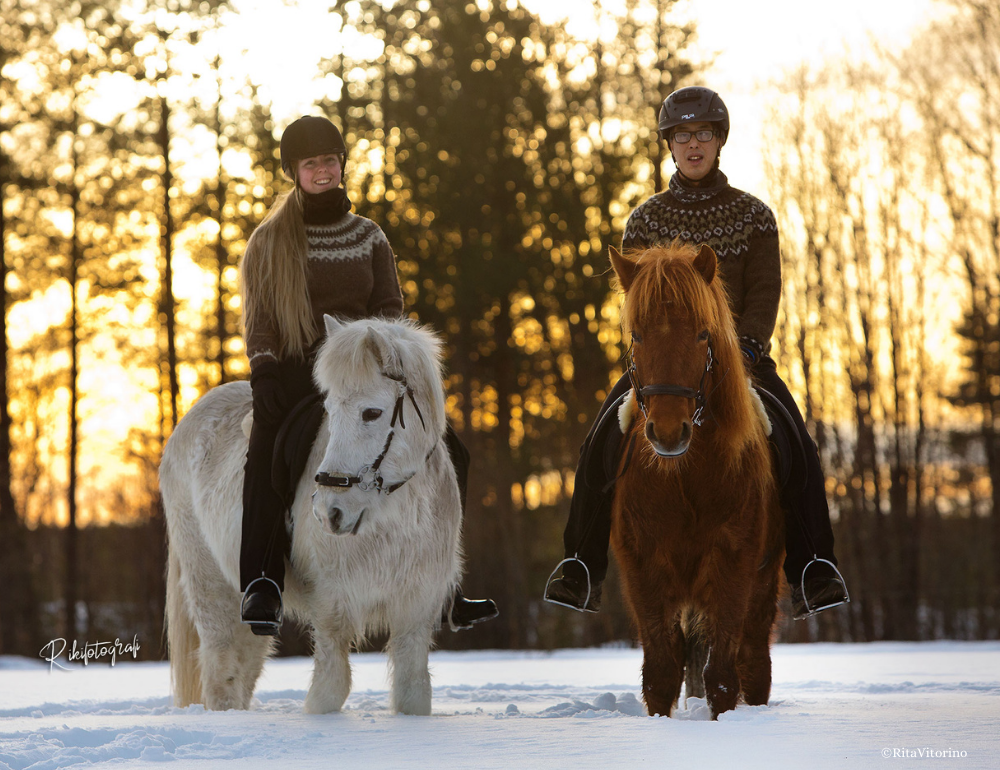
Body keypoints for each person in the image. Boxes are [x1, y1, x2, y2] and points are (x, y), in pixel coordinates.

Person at [544, 87, 849, 620]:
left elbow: (764, 292)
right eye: (681, 135)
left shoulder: (755, 216)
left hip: (739, 362)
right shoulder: (644, 219)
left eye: (703, 134)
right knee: (598, 443)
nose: (692, 144)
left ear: (719, 141)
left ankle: (812, 567)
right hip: (663, 367)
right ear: (669, 144)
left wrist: (746, 347)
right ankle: (580, 565)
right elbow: (635, 299)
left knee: (796, 443)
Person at [238, 115, 498, 635]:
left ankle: (445, 586)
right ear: (294, 172)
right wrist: (264, 372)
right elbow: (260, 318)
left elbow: (388, 309)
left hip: (365, 371)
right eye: (311, 164)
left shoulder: (369, 236)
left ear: (341, 164)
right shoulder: (269, 242)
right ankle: (261, 581)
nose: (323, 170)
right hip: (298, 371)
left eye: (330, 161)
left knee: (453, 450)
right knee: (268, 449)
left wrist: (381, 356)